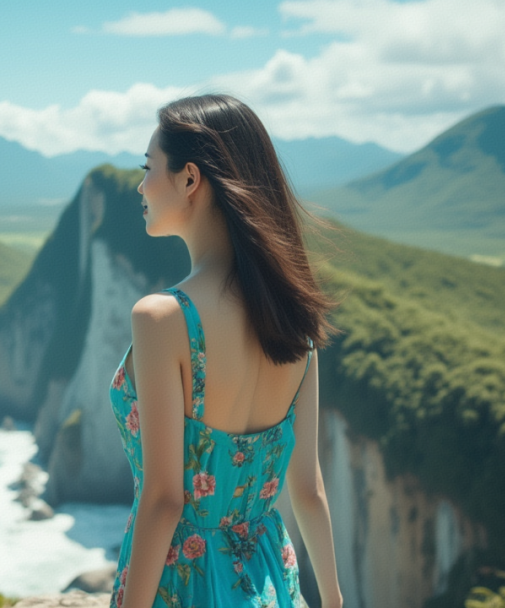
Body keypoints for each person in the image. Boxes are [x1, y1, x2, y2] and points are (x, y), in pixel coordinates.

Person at [108, 93, 344, 608]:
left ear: (190, 179)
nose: (141, 185)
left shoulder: (163, 318)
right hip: (270, 584)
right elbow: (308, 490)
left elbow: (165, 500)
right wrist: (333, 598)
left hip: (184, 585)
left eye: (148, 167)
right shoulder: (296, 324)